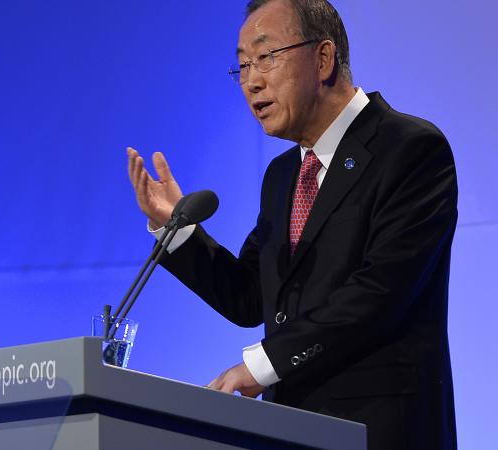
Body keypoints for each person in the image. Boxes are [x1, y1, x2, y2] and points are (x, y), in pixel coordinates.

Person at [126, 0, 457, 448]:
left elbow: (380, 292)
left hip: (380, 431)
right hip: (291, 433)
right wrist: (176, 229)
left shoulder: (411, 149)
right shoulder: (283, 176)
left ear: (323, 59)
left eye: (265, 57)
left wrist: (260, 367)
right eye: (241, 66)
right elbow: (250, 297)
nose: (251, 82)